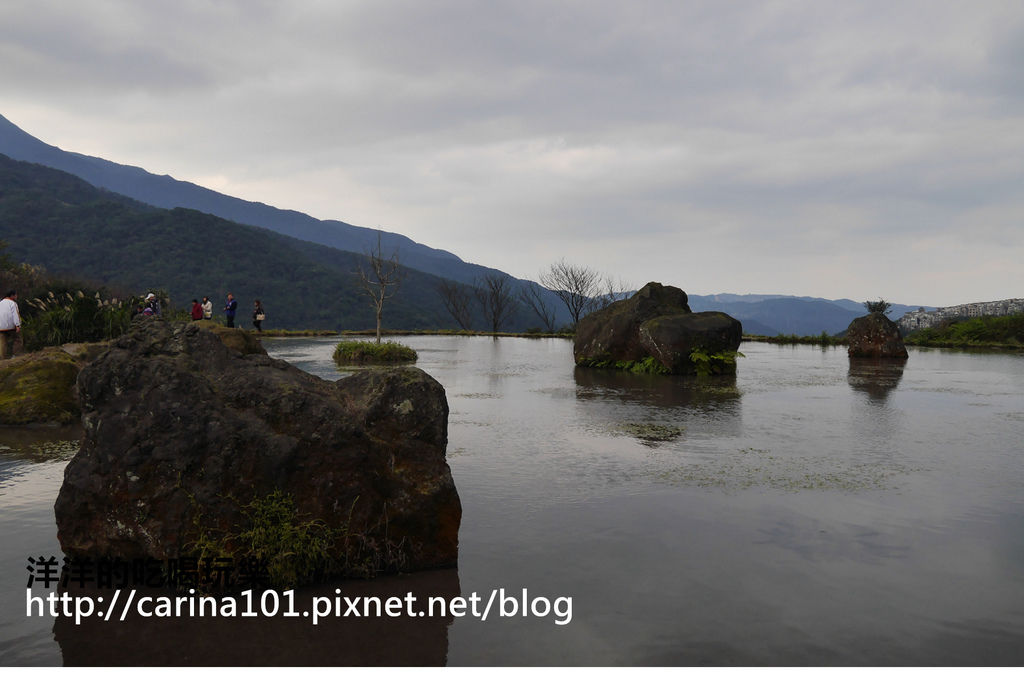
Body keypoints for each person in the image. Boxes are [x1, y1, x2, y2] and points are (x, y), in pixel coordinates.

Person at [0, 290, 21, 360]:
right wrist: (18, 325)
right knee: (18, 339)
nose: (16, 297)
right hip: (10, 326)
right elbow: (15, 315)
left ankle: (3, 358)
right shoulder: (13, 303)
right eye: (16, 295)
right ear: (12, 296)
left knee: (3, 342)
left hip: (1, 327)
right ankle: (15, 356)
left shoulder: (0, 303)